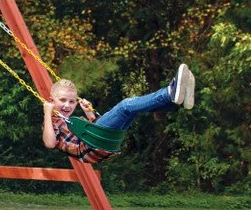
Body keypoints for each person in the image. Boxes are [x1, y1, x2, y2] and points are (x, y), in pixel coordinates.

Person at [43, 65, 194, 164]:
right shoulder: (53, 121)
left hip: (101, 143)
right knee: (126, 106)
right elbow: (50, 143)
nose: (67, 105)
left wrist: (89, 113)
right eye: (62, 100)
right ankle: (169, 92)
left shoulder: (74, 122)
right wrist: (47, 113)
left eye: (71, 101)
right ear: (51, 100)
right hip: (93, 145)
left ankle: (175, 102)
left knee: (133, 109)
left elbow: (96, 130)